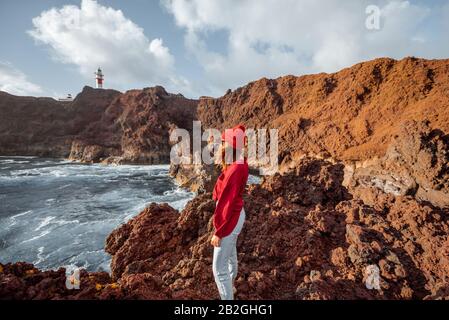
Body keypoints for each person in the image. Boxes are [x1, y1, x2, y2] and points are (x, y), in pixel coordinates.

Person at [211, 124, 249, 300]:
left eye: (223, 142)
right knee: (231, 255)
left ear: (229, 146)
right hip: (236, 216)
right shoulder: (239, 163)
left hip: (230, 218)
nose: (220, 145)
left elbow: (226, 203)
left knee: (218, 269)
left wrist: (219, 232)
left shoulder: (235, 169)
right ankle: (230, 287)